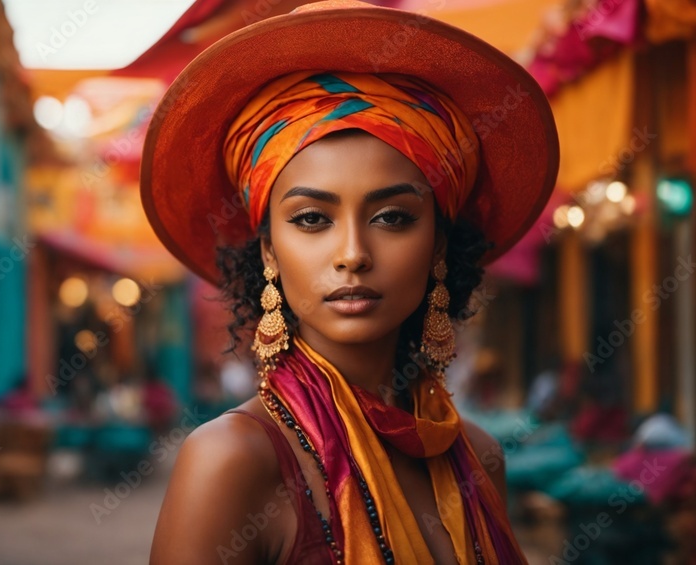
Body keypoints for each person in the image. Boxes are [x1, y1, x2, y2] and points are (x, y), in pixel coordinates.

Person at [141, 1, 558, 563]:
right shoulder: (234, 460)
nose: (354, 255)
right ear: (269, 249)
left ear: (438, 243)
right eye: (312, 219)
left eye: (392, 217)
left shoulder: (478, 457)